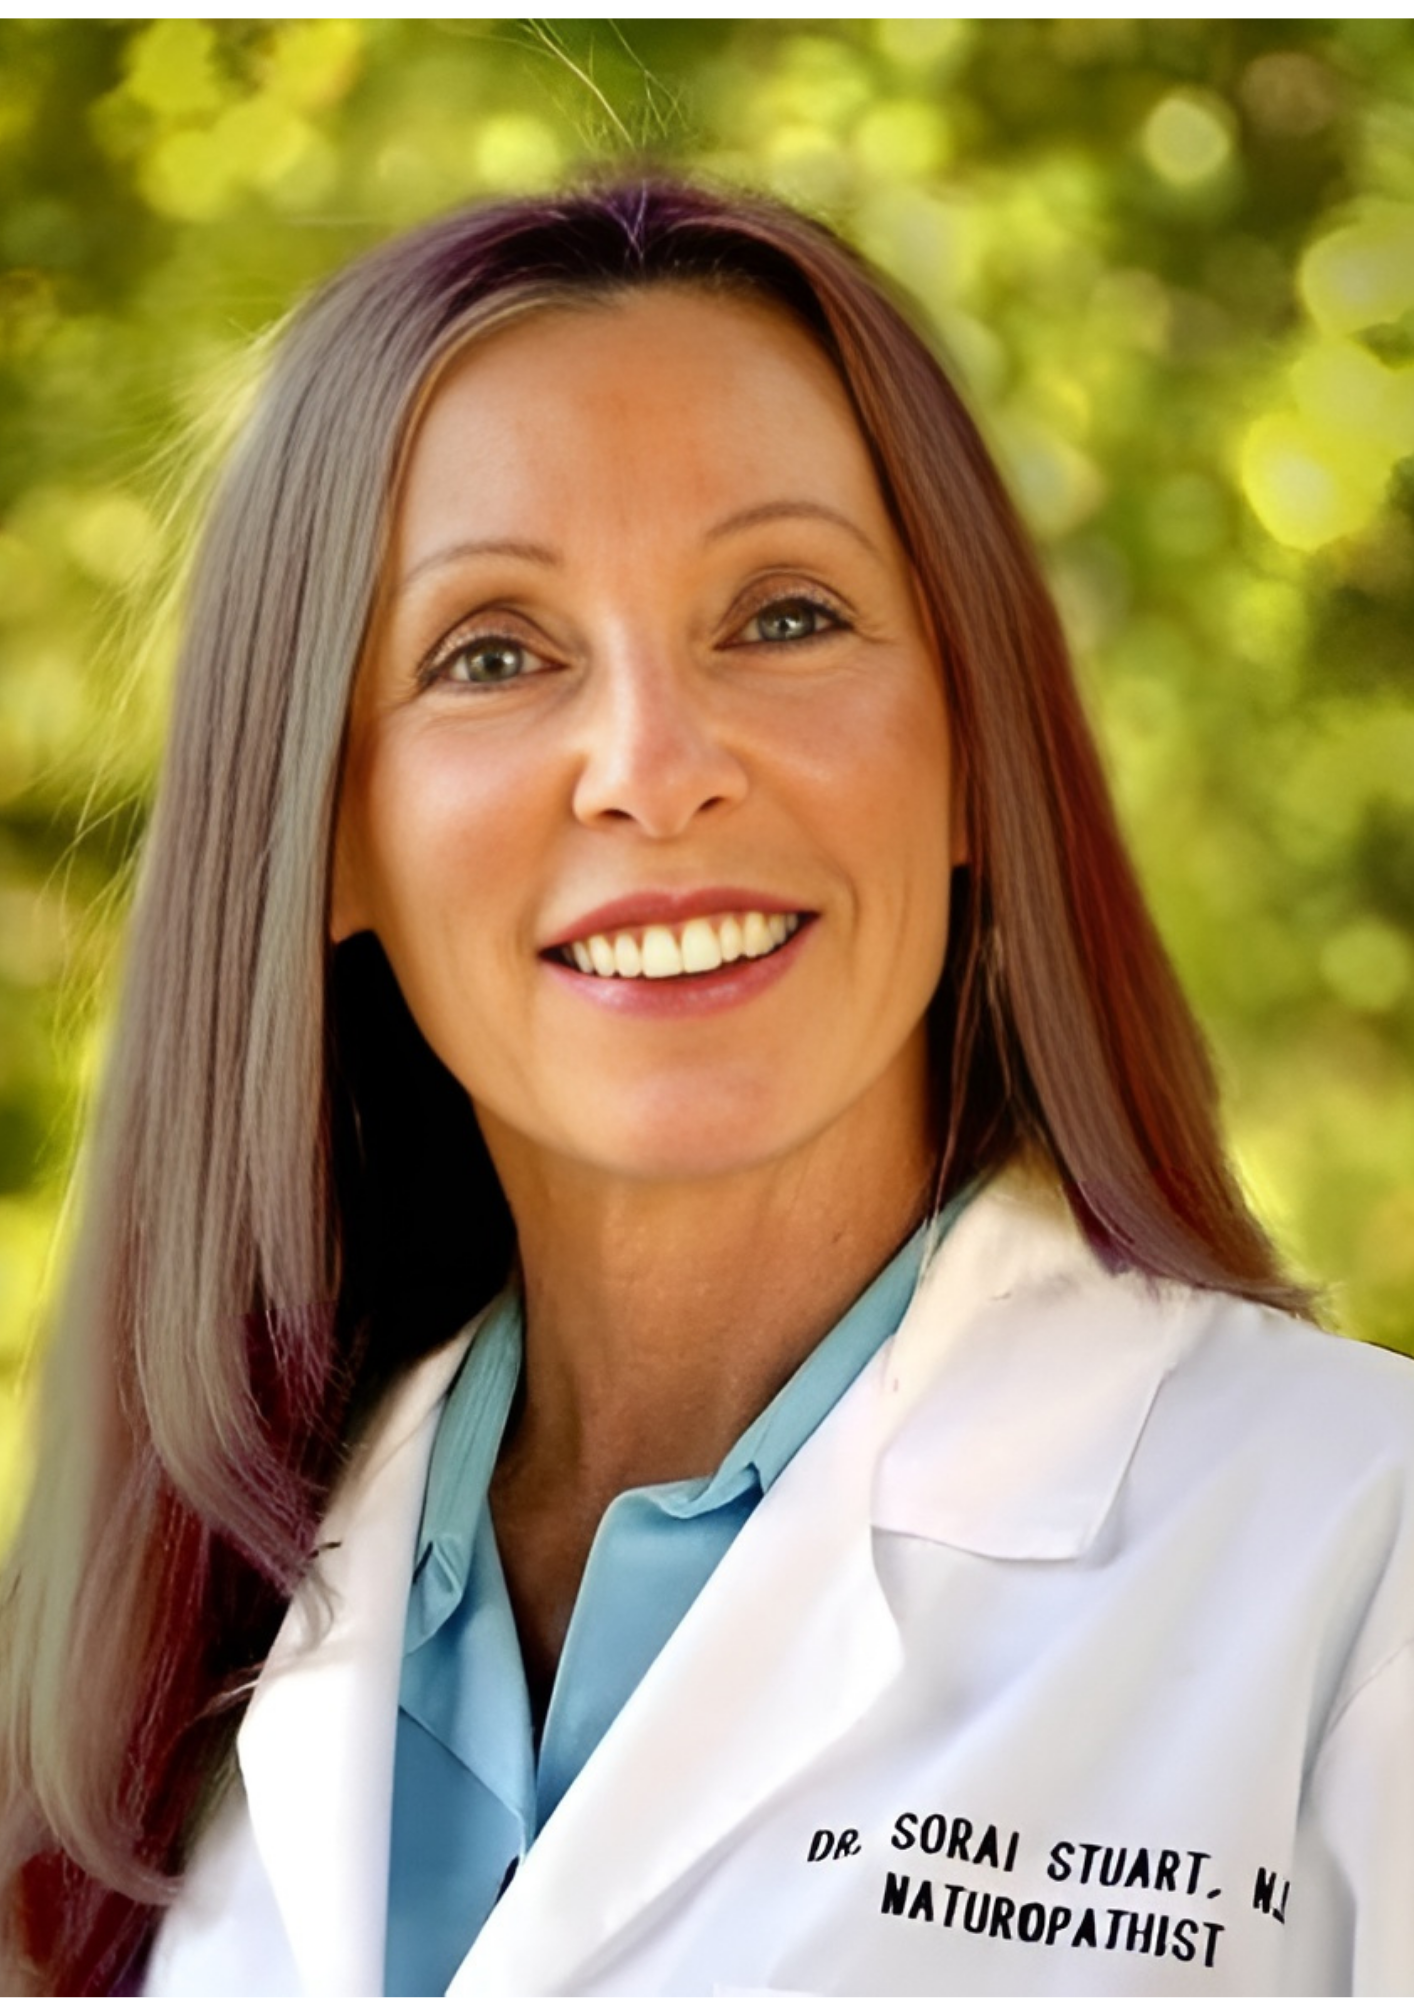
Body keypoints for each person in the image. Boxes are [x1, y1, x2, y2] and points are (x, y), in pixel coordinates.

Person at [1, 177, 1410, 1998]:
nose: (653, 768)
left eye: (785, 616)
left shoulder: (1357, 1550)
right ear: (325, 834)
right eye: (491, 652)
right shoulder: (144, 1690)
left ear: (977, 750)